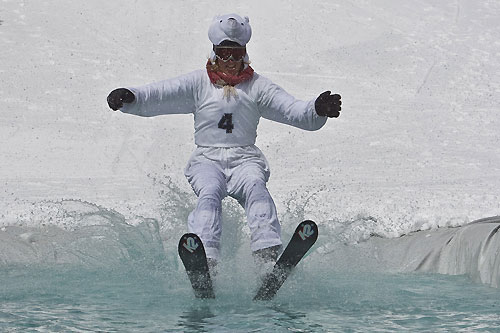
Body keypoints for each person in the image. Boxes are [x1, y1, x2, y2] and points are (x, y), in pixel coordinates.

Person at [107, 13, 341, 275]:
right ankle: (207, 265)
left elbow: (293, 110)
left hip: (245, 159)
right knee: (209, 195)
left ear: (245, 53)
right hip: (207, 160)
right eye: (224, 53)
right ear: (214, 52)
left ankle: (267, 261)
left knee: (257, 189)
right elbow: (159, 95)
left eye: (236, 53)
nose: (230, 61)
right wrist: (130, 98)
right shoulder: (198, 84)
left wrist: (317, 110)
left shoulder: (257, 87)